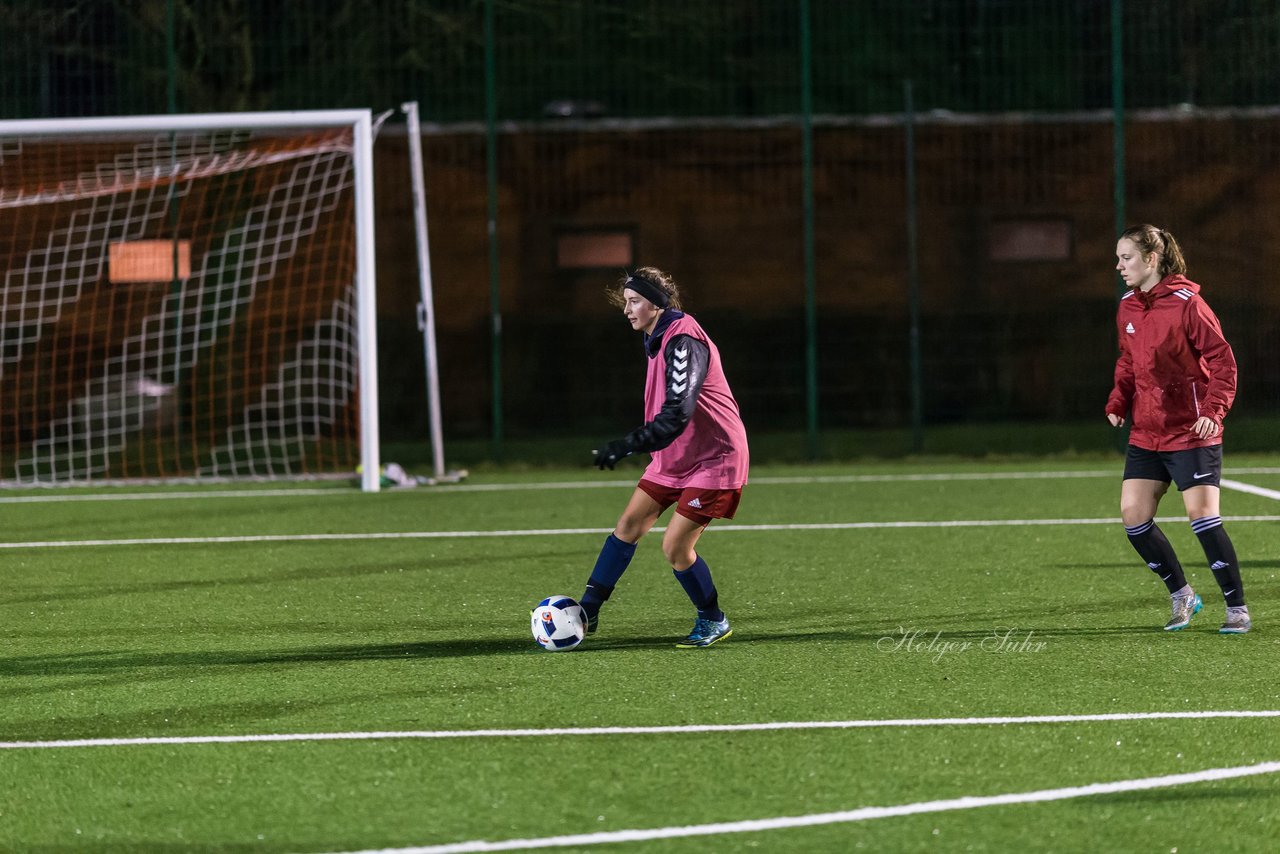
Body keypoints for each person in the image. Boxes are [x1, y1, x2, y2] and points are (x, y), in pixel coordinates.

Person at [581, 267, 749, 648]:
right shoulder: (657, 335)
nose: (627, 309)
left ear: (656, 304)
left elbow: (678, 412)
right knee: (627, 526)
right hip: (675, 456)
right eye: (625, 302)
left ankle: (713, 619)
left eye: (634, 301)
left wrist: (628, 444)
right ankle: (588, 611)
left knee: (675, 548)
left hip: (714, 458)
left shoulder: (684, 340)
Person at [1105, 224, 1250, 634]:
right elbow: (1128, 362)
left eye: (1126, 257)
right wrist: (1119, 401)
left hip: (1190, 430)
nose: (1119, 266)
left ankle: (1236, 609)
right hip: (1147, 430)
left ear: (1152, 259)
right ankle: (1182, 595)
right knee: (1134, 517)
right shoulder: (1128, 306)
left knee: (1201, 516)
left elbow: (1223, 361)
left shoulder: (1190, 304)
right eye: (1118, 258)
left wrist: (1214, 410)